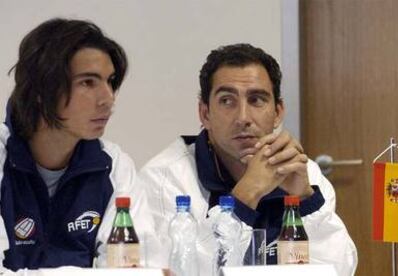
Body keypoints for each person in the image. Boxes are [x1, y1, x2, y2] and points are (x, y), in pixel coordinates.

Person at [138, 43, 358, 275]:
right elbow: (180, 271)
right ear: (205, 114)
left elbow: (340, 270)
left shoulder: (304, 172)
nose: (243, 117)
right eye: (227, 101)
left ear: (278, 112)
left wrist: (305, 202)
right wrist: (244, 197)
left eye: (256, 100)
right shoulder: (164, 179)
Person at [0, 18, 159, 271]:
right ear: (41, 90)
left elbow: (136, 267)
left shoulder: (114, 166)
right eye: (88, 82)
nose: (108, 99)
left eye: (110, 81)